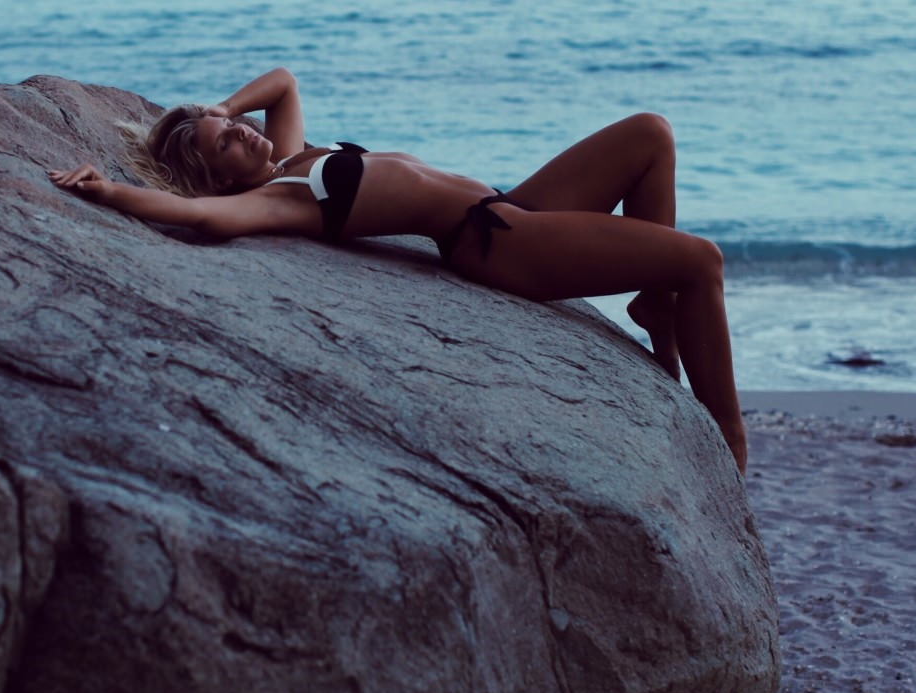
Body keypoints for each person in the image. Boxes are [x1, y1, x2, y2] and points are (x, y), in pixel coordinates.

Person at [48, 67, 746, 471]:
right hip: (502, 245)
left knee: (650, 132)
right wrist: (109, 191)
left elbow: (285, 83)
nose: (239, 129)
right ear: (220, 181)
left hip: (511, 204)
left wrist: (217, 107)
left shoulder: (293, 156)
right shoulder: (277, 200)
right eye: (225, 141)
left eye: (230, 124)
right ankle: (731, 448)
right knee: (703, 262)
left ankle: (656, 304)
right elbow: (200, 219)